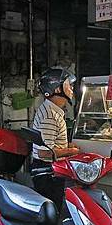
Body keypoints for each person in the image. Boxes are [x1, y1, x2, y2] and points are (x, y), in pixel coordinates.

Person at [31, 67, 80, 211]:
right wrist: (71, 151)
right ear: (57, 89)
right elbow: (44, 153)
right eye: (68, 85)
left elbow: (51, 142)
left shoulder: (52, 110)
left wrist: (66, 145)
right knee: (52, 212)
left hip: (48, 171)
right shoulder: (50, 115)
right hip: (47, 173)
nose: (71, 88)